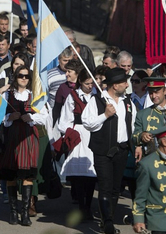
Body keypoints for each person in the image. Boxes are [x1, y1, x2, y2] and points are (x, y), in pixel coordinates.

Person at [83, 67, 136, 234]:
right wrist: (105, 115)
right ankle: (108, 224)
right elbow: (87, 123)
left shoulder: (128, 102)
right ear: (114, 85)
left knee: (115, 188)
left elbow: (133, 126)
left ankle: (109, 218)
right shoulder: (97, 100)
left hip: (121, 150)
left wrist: (136, 145)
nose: (127, 85)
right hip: (103, 150)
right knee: (105, 186)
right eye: (123, 82)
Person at [0, 65, 46, 226]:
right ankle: (12, 211)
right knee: (11, 175)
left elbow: (45, 117)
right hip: (12, 138)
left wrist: (31, 117)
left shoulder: (35, 96)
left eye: (26, 76)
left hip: (29, 138)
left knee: (27, 176)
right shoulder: (7, 94)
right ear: (15, 77)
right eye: (20, 76)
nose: (24, 79)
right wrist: (11, 116)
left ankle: (24, 213)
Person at [58, 69, 97, 222]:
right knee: (80, 175)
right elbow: (64, 120)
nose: (90, 86)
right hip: (79, 135)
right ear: (81, 82)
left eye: (91, 83)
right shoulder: (72, 97)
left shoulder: (97, 95)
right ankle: (82, 206)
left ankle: (88, 205)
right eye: (87, 83)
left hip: (93, 134)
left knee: (91, 174)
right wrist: (70, 133)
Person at [132, 77, 166, 160]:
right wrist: (142, 135)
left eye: (156, 92)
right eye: (151, 93)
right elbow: (134, 136)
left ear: (165, 91)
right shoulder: (142, 114)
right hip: (153, 160)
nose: (154, 96)